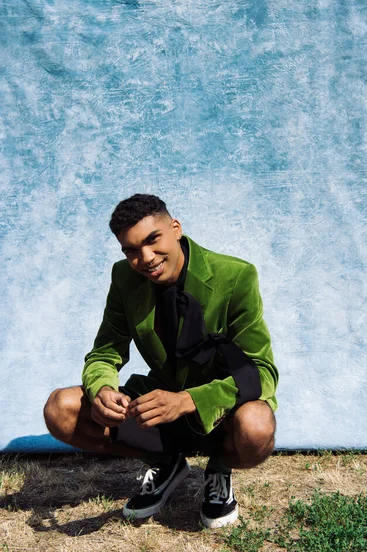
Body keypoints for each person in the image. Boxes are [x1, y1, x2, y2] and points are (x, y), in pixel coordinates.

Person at [44, 194, 278, 529]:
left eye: (153, 240)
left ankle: (220, 469)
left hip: (221, 411)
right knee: (60, 408)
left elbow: (262, 372)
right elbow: (105, 352)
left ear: (175, 228)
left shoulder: (236, 276)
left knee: (256, 426)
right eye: (131, 250)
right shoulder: (125, 278)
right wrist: (102, 389)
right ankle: (166, 464)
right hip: (158, 405)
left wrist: (188, 400)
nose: (146, 258)